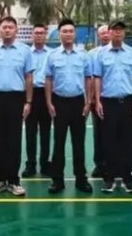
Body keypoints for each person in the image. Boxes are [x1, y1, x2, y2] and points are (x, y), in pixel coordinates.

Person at [0, 16, 35, 196]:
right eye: (4, 27)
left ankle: (13, 181)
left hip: (16, 99)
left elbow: (29, 77)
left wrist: (28, 102)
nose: (7, 30)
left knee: (14, 139)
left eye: (10, 27)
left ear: (16, 30)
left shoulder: (25, 51)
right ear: (0, 31)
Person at [92, 20, 132, 194]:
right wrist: (97, 100)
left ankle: (127, 178)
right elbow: (97, 77)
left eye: (121, 30)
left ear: (124, 33)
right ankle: (109, 178)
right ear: (109, 32)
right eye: (114, 30)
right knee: (108, 141)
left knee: (128, 140)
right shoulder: (101, 54)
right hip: (108, 102)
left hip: (128, 102)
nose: (117, 33)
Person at [43, 18, 93, 194]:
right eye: (64, 31)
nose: (68, 34)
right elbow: (48, 79)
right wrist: (49, 102)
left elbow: (88, 79)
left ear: (75, 33)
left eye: (71, 31)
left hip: (78, 102)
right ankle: (57, 180)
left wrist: (88, 101)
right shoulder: (52, 55)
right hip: (59, 102)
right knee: (59, 144)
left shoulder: (83, 55)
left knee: (79, 144)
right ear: (59, 34)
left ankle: (81, 179)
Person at [24, 24, 52, 178]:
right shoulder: (25, 53)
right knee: (30, 132)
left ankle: (45, 163)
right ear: (32, 36)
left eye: (42, 33)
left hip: (46, 94)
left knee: (46, 131)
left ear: (45, 35)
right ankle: (30, 164)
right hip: (30, 94)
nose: (39, 35)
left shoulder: (52, 54)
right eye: (36, 33)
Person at [91, 24, 111, 177]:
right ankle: (100, 164)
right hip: (97, 99)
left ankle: (115, 164)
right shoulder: (92, 54)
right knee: (98, 133)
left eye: (106, 32)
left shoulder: (121, 53)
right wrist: (92, 98)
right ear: (98, 36)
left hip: (114, 98)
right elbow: (90, 77)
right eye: (101, 33)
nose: (104, 35)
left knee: (115, 133)